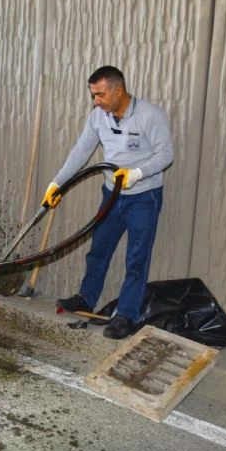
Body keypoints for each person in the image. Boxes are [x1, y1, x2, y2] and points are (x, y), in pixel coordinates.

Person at [44, 66, 174, 339]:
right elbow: (81, 151)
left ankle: (126, 315)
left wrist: (137, 174)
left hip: (143, 198)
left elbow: (165, 155)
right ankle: (87, 298)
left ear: (118, 90)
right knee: (99, 250)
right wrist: (57, 183)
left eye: (100, 95)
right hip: (111, 195)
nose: (96, 101)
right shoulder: (98, 117)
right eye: (94, 95)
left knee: (137, 258)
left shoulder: (150, 115)